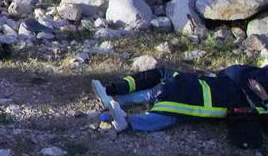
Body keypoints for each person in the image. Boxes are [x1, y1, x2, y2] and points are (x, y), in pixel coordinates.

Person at [91, 64, 268, 135]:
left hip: (213, 98)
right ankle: (117, 98)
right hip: (207, 85)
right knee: (162, 91)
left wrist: (263, 98)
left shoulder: (255, 98)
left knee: (171, 110)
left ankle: (128, 121)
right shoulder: (248, 73)